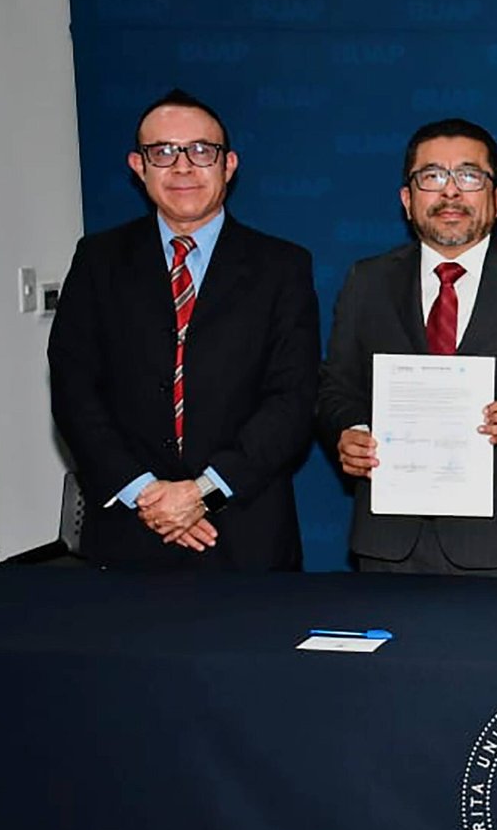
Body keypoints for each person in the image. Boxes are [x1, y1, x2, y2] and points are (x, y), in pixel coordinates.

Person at [48, 88, 320, 570]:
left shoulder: (282, 266)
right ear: (139, 166)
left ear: (228, 165)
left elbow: (292, 400)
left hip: (246, 534)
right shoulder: (98, 261)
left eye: (200, 151)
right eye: (163, 152)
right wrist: (146, 495)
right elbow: (74, 390)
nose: (182, 167)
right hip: (129, 531)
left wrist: (203, 495)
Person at [317, 117, 497, 576]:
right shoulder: (367, 281)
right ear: (407, 200)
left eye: (468, 176)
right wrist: (349, 431)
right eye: (431, 176)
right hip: (389, 545)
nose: (449, 192)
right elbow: (335, 388)